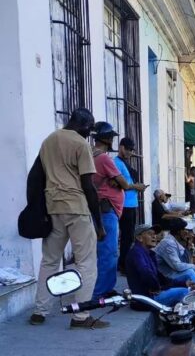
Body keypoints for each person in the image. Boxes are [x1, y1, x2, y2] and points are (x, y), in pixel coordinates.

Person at [30, 108, 109, 329]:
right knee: (86, 262)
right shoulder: (80, 144)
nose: (89, 134)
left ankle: (40, 311)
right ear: (83, 125)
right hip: (76, 207)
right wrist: (99, 224)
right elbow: (88, 186)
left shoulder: (48, 140)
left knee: (50, 260)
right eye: (89, 129)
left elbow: (37, 175)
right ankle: (81, 316)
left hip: (53, 207)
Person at [90, 121, 128, 300]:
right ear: (105, 138)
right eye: (111, 137)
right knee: (108, 252)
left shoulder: (92, 155)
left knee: (105, 251)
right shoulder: (104, 158)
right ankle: (100, 293)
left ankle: (105, 288)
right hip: (107, 209)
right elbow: (124, 183)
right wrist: (117, 182)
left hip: (102, 208)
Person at [126, 224, 195, 307]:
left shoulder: (148, 253)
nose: (154, 237)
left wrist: (184, 283)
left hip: (152, 294)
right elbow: (146, 272)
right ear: (139, 238)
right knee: (186, 293)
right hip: (146, 299)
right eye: (150, 234)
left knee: (188, 284)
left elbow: (161, 278)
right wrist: (155, 287)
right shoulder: (137, 252)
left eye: (155, 234)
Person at [114, 137, 148, 273]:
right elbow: (118, 184)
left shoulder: (124, 163)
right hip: (124, 204)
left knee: (129, 237)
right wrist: (136, 186)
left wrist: (138, 186)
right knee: (126, 237)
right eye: (128, 149)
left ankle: (124, 263)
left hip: (131, 203)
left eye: (132, 150)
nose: (130, 152)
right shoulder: (116, 163)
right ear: (121, 147)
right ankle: (123, 265)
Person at [154, 218, 195, 286]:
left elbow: (187, 263)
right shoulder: (168, 243)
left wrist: (189, 250)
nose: (188, 233)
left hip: (172, 274)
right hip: (165, 277)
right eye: (185, 230)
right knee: (190, 272)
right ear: (179, 231)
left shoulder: (176, 242)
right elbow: (178, 266)